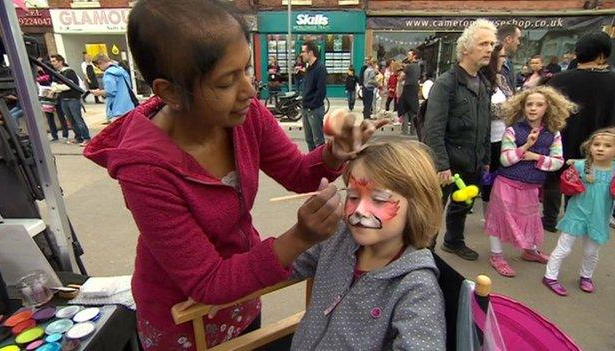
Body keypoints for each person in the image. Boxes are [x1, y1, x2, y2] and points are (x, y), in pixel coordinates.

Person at [84, 1, 385, 349]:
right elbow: (207, 282)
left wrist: (334, 153)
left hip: (243, 293)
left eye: (246, 70)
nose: (248, 91)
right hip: (182, 319)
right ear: (169, 92)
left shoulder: (246, 115)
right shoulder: (144, 169)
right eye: (227, 81)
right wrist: (300, 237)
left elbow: (298, 172)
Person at [291, 141, 445, 350]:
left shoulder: (416, 287)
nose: (360, 210)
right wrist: (303, 235)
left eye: (379, 199)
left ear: (416, 207)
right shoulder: (336, 238)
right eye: (353, 196)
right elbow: (286, 265)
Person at [423, 19, 496, 260]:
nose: (489, 49)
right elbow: (433, 129)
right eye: (483, 43)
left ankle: (454, 241)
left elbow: (485, 125)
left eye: (492, 44)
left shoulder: (484, 84)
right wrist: (441, 165)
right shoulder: (446, 83)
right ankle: (425, 254)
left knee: (462, 205)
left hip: (472, 161)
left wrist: (485, 158)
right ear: (465, 48)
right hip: (447, 164)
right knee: (434, 211)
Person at [485, 86, 575, 277]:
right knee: (499, 220)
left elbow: (558, 162)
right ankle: (496, 256)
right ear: (522, 107)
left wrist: (535, 156)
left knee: (530, 220)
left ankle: (530, 250)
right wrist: (525, 146)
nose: (533, 108)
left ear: (548, 108)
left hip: (532, 187)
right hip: (507, 183)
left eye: (539, 104)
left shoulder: (553, 134)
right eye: (529, 104)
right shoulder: (512, 131)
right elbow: (505, 160)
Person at [542, 32, 615, 233]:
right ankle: (574, 220)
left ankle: (549, 220)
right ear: (602, 55)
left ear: (577, 53)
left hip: (561, 141)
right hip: (597, 145)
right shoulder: (612, 81)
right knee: (585, 181)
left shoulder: (558, 80)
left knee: (554, 179)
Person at [543, 128, 615, 296]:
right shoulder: (581, 166)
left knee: (591, 252)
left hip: (599, 218)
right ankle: (550, 276)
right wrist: (571, 173)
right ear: (590, 147)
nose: (600, 148)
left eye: (607, 145)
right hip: (576, 215)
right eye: (596, 144)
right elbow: (566, 187)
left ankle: (586, 276)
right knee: (563, 248)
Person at [480, 44, 514, 221]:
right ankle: (488, 215)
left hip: (505, 137)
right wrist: (505, 109)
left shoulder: (501, 79)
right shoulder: (481, 80)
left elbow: (514, 104)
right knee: (488, 177)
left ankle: (497, 213)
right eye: (501, 56)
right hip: (487, 139)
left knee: (501, 177)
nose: (504, 60)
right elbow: (485, 110)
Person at [49, 54, 91, 147]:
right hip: (63, 99)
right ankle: (78, 137)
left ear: (60, 61)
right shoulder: (57, 73)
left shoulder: (69, 72)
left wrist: (57, 88)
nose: (53, 63)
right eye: (51, 61)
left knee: (78, 119)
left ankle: (86, 138)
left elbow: (69, 85)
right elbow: (53, 85)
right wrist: (57, 88)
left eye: (54, 61)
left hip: (73, 99)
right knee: (71, 120)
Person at [90, 54, 136, 122]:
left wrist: (98, 93)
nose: (100, 69)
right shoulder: (121, 70)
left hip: (117, 109)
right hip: (129, 106)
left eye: (98, 67)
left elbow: (110, 92)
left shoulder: (109, 74)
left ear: (100, 62)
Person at [300, 40, 328, 151]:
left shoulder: (320, 68)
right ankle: (312, 164)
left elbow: (321, 91)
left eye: (303, 51)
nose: (301, 54)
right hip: (305, 108)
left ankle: (321, 166)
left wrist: (312, 106)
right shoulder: (309, 68)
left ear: (310, 53)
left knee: (318, 141)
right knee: (309, 139)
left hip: (314, 109)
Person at [400, 49, 422, 134]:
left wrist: (402, 70)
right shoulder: (418, 66)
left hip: (408, 88)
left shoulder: (408, 66)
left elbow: (401, 77)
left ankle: (405, 130)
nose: (408, 56)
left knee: (405, 108)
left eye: (409, 55)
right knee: (413, 109)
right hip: (415, 88)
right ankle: (413, 130)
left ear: (414, 56)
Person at [497, 24, 522, 92]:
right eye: (518, 39)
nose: (519, 43)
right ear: (508, 39)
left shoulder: (509, 63)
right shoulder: (491, 64)